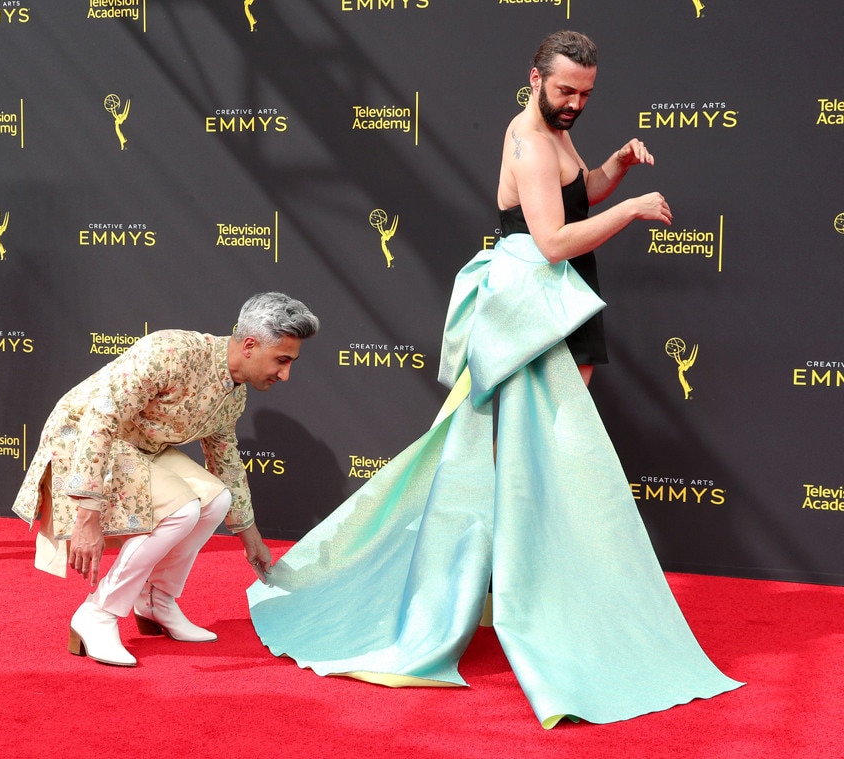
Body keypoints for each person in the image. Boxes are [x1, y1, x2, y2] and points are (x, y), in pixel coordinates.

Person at [248, 32, 742, 727]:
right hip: (536, 306)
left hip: (559, 299)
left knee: (537, 470)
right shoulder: (529, 142)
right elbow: (551, 240)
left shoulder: (555, 134)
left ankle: (527, 596)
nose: (575, 103)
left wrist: (618, 168)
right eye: (565, 89)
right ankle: (521, 604)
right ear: (533, 77)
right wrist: (629, 212)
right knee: (528, 469)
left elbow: (575, 199)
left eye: (586, 94)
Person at [12, 292, 319, 667]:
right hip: (82, 437)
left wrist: (249, 535)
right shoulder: (173, 352)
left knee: (216, 500)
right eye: (282, 360)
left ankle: (157, 600)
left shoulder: (234, 394)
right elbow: (99, 418)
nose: (285, 374)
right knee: (182, 509)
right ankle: (97, 613)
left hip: (141, 446)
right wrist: (87, 515)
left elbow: (225, 460)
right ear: (250, 345)